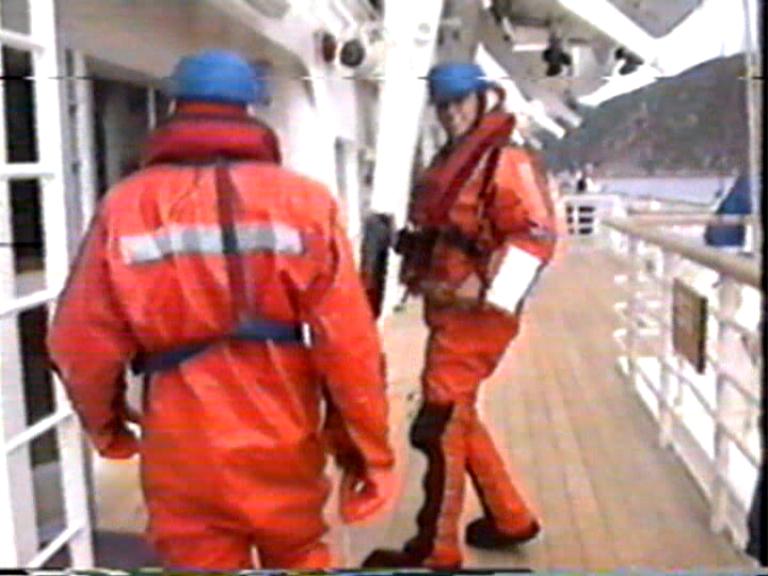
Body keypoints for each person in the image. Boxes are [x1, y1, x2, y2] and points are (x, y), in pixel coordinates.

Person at [47, 49, 395, 570]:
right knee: (300, 556)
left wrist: (108, 425)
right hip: (284, 436)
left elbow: (79, 343)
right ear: (252, 109)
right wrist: (368, 452)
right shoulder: (306, 202)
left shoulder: (126, 205)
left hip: (182, 447)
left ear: (175, 108)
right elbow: (350, 346)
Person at [363, 62, 558, 569]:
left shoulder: (505, 160)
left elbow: (536, 235)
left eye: (459, 103)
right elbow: (447, 229)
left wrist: (487, 286)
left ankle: (437, 548)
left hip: (478, 316)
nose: (451, 114)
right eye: (444, 106)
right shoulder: (458, 158)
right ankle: (510, 517)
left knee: (440, 420)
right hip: (450, 308)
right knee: (457, 414)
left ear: (481, 99)